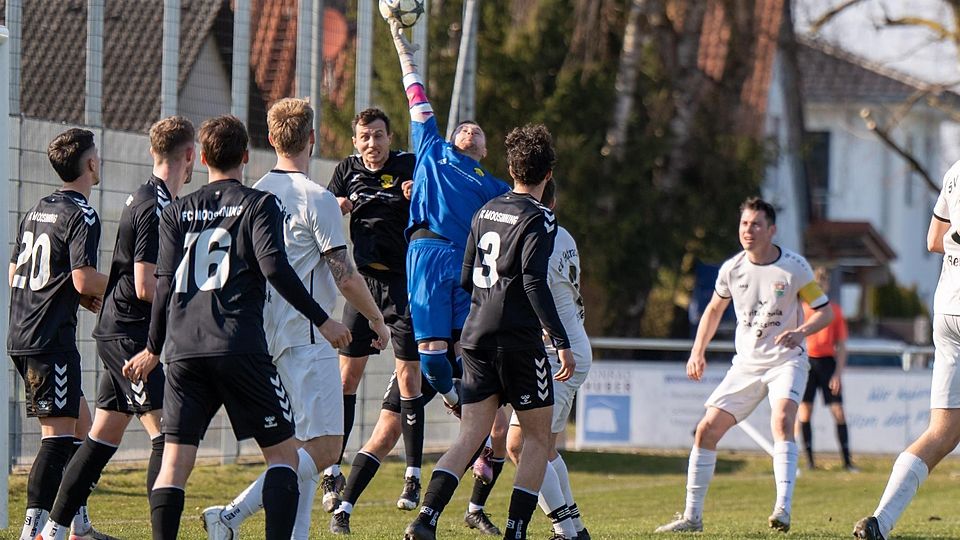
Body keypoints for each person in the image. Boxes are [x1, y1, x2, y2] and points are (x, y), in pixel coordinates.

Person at [126, 115, 350, 540]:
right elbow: (275, 269)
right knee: (284, 457)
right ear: (247, 156)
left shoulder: (177, 210)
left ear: (203, 157)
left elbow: (164, 282)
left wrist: (154, 348)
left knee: (174, 462)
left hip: (184, 349)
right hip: (239, 346)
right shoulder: (257, 203)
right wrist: (322, 319)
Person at [199, 99, 389, 540]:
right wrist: (377, 321)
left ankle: (293, 534)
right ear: (313, 139)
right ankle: (231, 514)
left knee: (294, 447)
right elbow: (346, 277)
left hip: (261, 335)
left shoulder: (255, 193)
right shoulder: (315, 197)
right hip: (307, 336)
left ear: (270, 139)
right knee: (325, 448)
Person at [403, 123, 575, 540]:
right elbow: (534, 282)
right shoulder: (541, 218)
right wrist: (560, 339)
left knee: (468, 438)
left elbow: (466, 277)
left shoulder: (485, 210)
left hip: (476, 336)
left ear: (511, 168)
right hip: (518, 340)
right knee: (535, 438)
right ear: (547, 174)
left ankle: (424, 520)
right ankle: (516, 531)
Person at [35, 117, 196, 540]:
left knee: (102, 434)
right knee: (166, 435)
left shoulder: (155, 198)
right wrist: (189, 303)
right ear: (190, 157)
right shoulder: (155, 205)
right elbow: (145, 284)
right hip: (129, 334)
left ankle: (54, 531)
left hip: (123, 330)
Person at [655, 197, 833, 534]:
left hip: (786, 360)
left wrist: (801, 332)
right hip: (746, 365)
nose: (748, 231)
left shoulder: (794, 267)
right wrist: (697, 352)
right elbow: (712, 311)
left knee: (782, 420)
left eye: (755, 225)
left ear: (772, 230)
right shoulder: (732, 269)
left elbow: (824, 311)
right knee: (707, 430)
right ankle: (692, 517)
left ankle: (783, 508)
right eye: (744, 224)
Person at [389, 18, 509, 437]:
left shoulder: (495, 187)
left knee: (471, 353)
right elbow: (416, 97)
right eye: (464, 127)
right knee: (433, 360)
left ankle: (480, 445)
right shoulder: (431, 148)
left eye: (477, 131)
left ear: (485, 149)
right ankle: (454, 402)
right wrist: (405, 53)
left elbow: (529, 205)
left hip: (467, 268)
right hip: (425, 254)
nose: (469, 130)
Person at [9, 128, 110, 540]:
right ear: (89, 164)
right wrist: (126, 290)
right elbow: (85, 279)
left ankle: (78, 526)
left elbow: (16, 272)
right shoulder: (82, 213)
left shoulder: (37, 209)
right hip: (50, 339)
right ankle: (31, 529)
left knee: (82, 429)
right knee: (56, 438)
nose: (99, 159)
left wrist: (69, 291)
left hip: (22, 332)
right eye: (97, 154)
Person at [852, 162, 960, 539]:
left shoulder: (955, 171)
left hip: (947, 310)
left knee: (942, 431)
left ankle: (880, 520)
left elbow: (933, 240)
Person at [323, 107, 422, 513]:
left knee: (409, 379)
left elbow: (435, 207)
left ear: (389, 137)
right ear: (354, 142)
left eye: (378, 136)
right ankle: (333, 468)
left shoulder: (408, 165)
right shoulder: (346, 170)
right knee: (347, 378)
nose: (372, 144)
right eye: (364, 137)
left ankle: (413, 476)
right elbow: (321, 214)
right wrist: (337, 206)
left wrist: (419, 194)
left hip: (401, 285)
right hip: (361, 288)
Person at [505, 179, 592, 540]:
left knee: (522, 445)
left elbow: (533, 292)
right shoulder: (565, 236)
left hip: (559, 352)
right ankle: (573, 528)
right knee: (544, 446)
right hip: (570, 345)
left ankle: (566, 529)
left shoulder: (544, 240)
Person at [329, 361, 460, 535]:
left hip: (466, 362)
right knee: (385, 435)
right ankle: (343, 510)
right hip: (420, 360)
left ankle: (475, 507)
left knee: (488, 432)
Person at [797, 266, 855, 471]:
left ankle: (847, 461)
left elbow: (841, 345)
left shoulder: (834, 311)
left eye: (824, 282)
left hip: (827, 363)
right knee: (805, 411)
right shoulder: (802, 310)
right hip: (806, 362)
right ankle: (810, 462)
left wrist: (837, 373)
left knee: (838, 411)